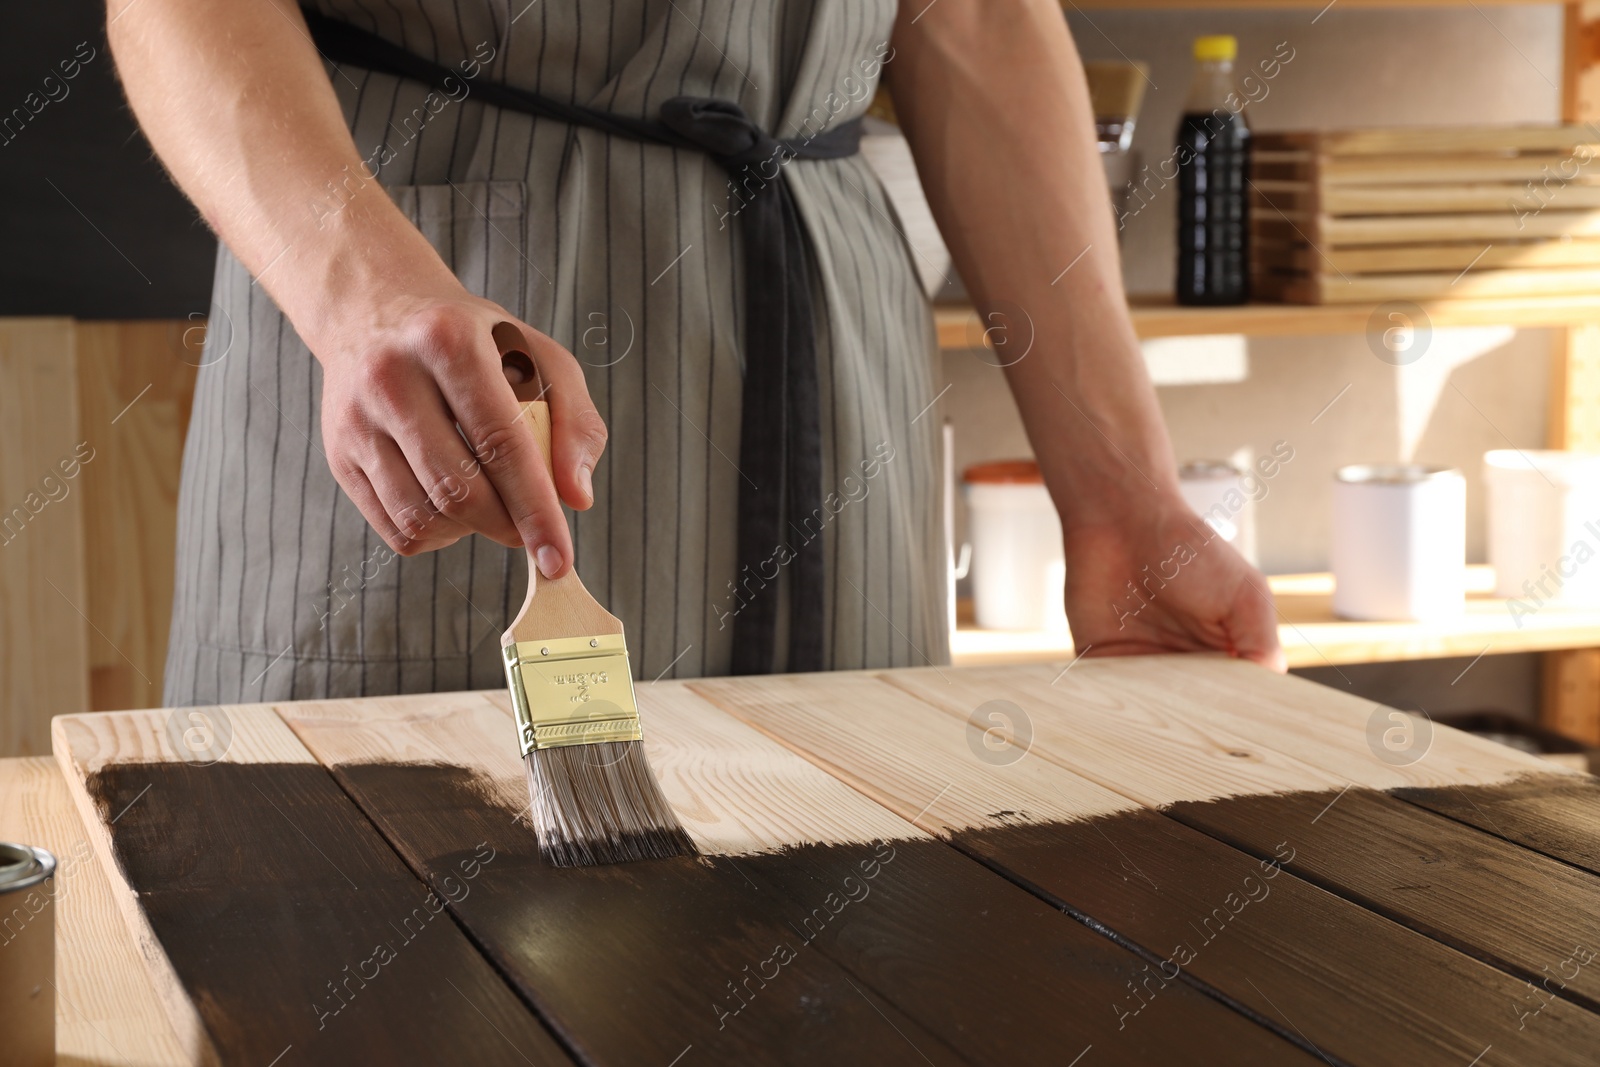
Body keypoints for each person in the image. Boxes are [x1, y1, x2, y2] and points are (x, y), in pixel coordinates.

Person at [107, 0, 1283, 705]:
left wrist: (1125, 497)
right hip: (432, 329)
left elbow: (972, 17)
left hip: (832, 366)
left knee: (850, 964)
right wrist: (357, 284)